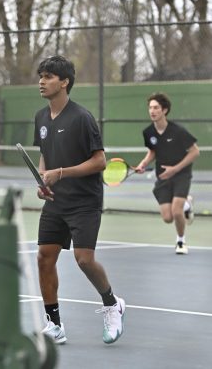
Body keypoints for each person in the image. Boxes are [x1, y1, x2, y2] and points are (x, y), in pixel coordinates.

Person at [33, 55, 125, 345]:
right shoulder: (41, 117)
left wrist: (60, 173)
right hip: (56, 201)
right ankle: (55, 324)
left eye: (48, 77)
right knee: (44, 257)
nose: (42, 82)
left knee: (84, 260)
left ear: (64, 82)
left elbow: (100, 161)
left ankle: (112, 304)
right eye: (41, 76)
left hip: (84, 201)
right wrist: (43, 179)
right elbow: (44, 155)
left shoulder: (82, 118)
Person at [135, 92, 200, 255]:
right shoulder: (148, 132)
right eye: (150, 108)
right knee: (167, 217)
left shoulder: (178, 131)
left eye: (156, 107)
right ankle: (187, 203)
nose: (152, 111)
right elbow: (152, 152)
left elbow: (195, 152)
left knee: (177, 212)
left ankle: (180, 241)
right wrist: (143, 164)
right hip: (163, 176)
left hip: (181, 174)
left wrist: (176, 169)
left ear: (164, 110)